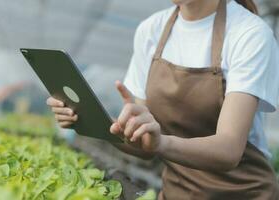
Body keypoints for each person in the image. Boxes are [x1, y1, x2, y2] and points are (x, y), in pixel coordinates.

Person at [46, 0, 279, 199]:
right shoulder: (151, 30)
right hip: (176, 192)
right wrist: (90, 121)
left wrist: (161, 143)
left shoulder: (248, 34)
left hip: (244, 194)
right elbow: (143, 145)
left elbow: (228, 150)